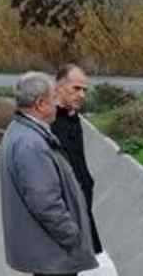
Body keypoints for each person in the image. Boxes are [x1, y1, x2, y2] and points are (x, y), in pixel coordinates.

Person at [0, 72, 98, 276]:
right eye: (54, 97)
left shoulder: (21, 132)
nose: (58, 103)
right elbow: (44, 201)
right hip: (53, 255)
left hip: (47, 252)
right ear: (41, 104)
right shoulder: (30, 144)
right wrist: (72, 235)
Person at [52, 64, 103, 255]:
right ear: (58, 87)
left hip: (79, 212)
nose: (82, 95)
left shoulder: (73, 119)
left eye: (85, 90)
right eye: (76, 88)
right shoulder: (48, 122)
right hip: (62, 219)